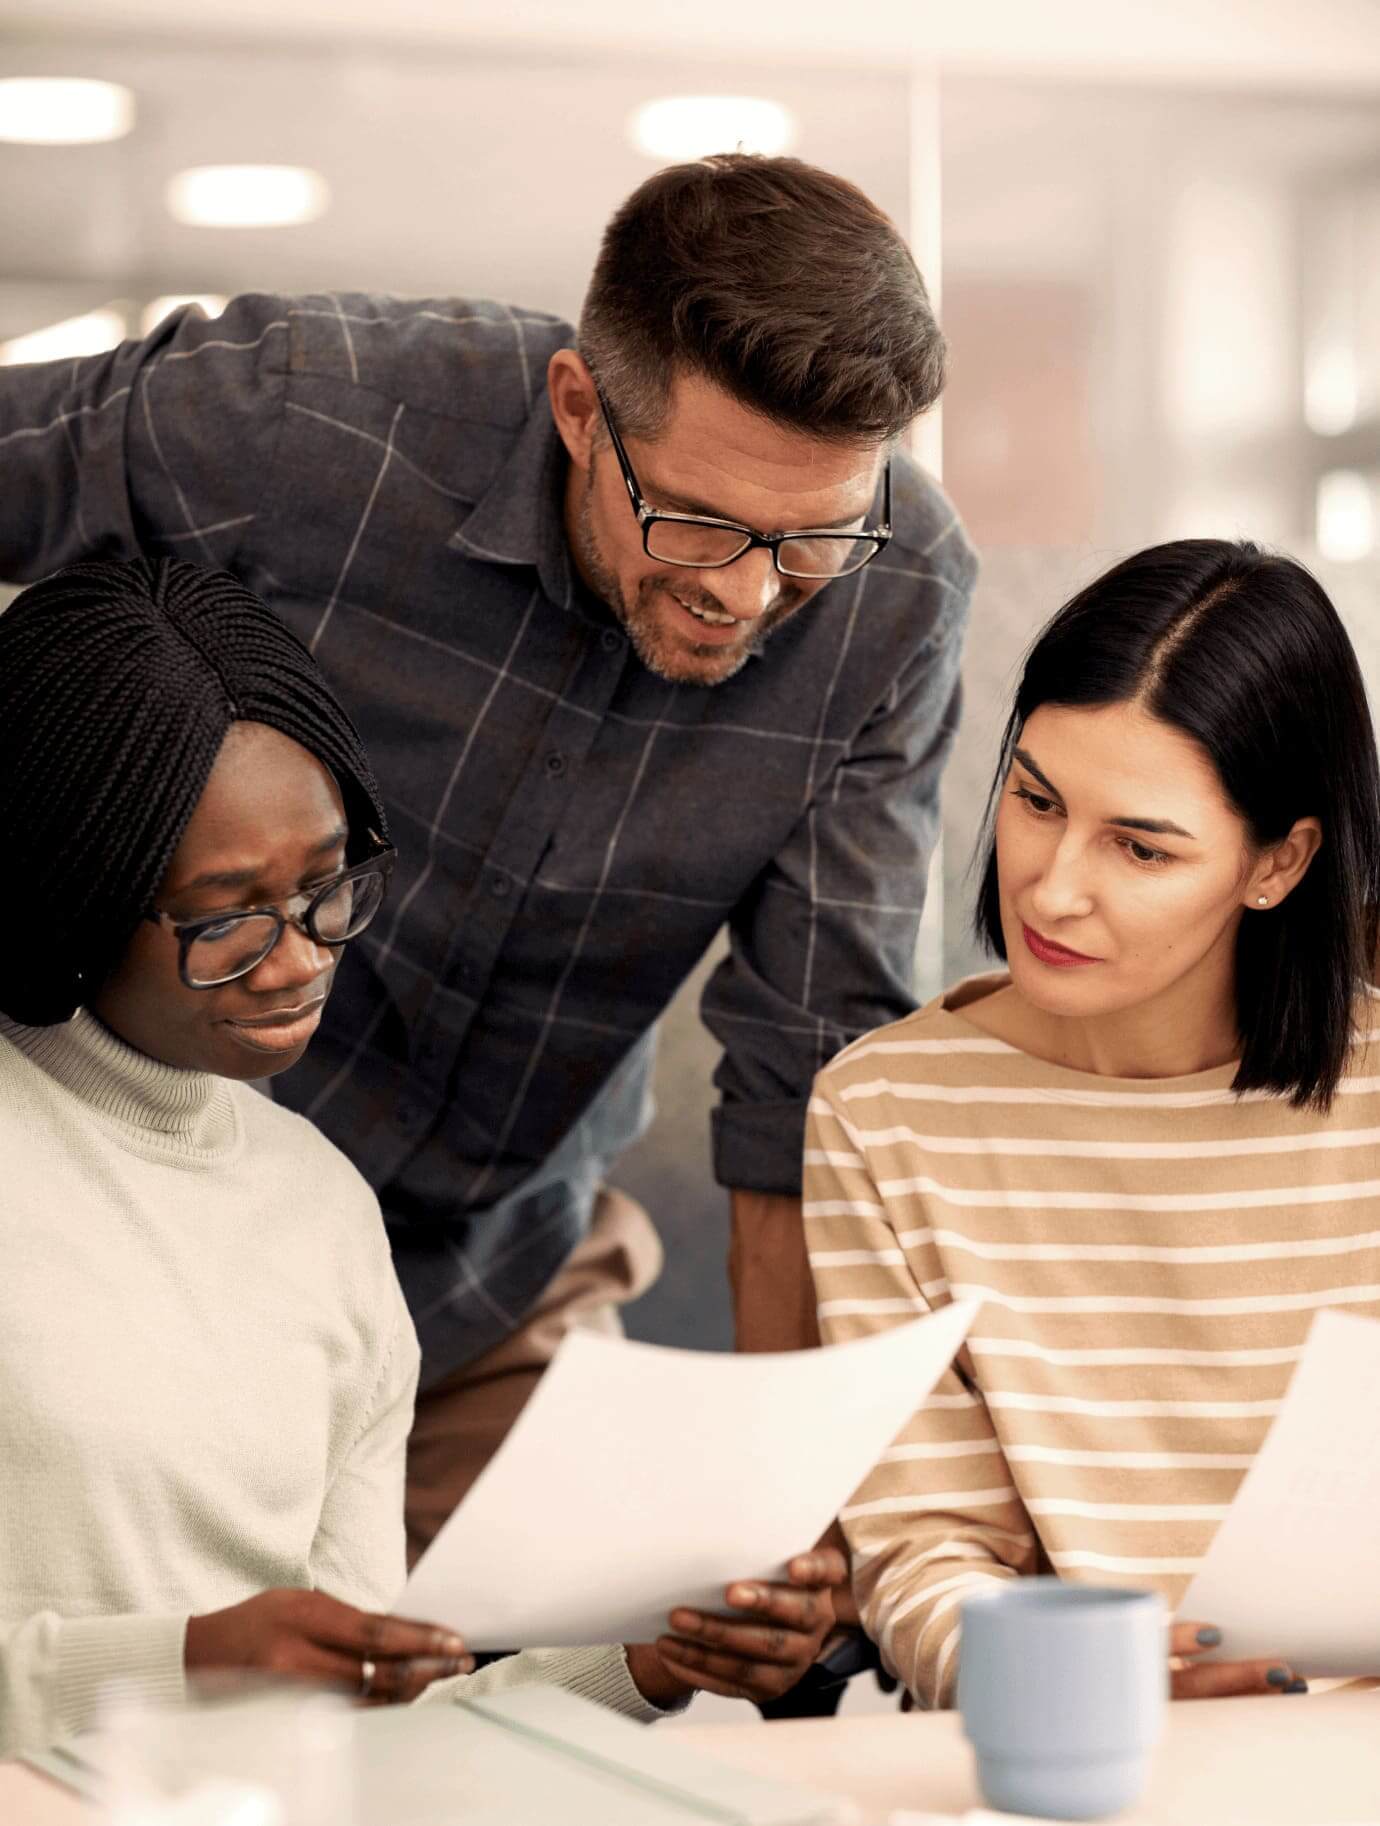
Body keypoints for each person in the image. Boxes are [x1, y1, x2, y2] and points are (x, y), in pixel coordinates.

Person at [0, 152, 975, 1559]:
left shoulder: (899, 603)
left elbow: (803, 1070)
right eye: (696, 520)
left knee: (535, 1722)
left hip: (489, 1279)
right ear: (581, 407)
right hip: (127, 1234)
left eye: (813, 537)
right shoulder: (303, 422)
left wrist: (792, 1508)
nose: (749, 593)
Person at [0, 556, 846, 1758]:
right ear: (69, 890)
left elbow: (374, 1724)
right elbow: (217, 1679)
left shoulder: (320, 1214)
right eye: (229, 914)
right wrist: (184, 1665)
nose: (300, 962)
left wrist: (645, 1665)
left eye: (327, 885)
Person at [803, 539, 1380, 1710]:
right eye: (1036, 799)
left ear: (1278, 861)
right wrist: (1077, 1676)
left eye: (1140, 845)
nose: (1053, 886)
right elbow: (919, 1550)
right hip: (1059, 1752)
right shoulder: (885, 1112)